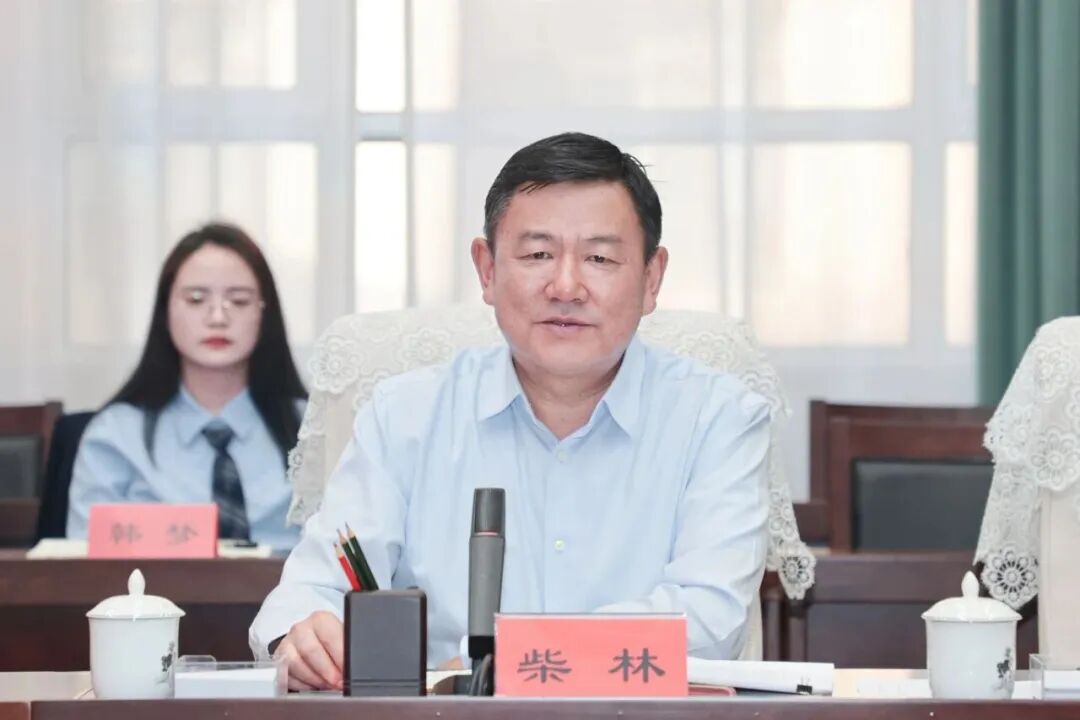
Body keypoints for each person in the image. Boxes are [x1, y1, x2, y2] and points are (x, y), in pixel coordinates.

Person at [251, 132, 770, 690]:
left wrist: (500, 664)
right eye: (538, 254)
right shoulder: (404, 417)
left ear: (651, 279)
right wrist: (305, 636)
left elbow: (708, 621)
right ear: (487, 270)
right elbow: (308, 593)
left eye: (599, 258)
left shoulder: (718, 419)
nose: (566, 286)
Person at [66, 223, 308, 551]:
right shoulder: (115, 436)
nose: (218, 317)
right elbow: (81, 566)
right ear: (165, 312)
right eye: (196, 299)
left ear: (265, 314)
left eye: (239, 301)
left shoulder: (314, 431)